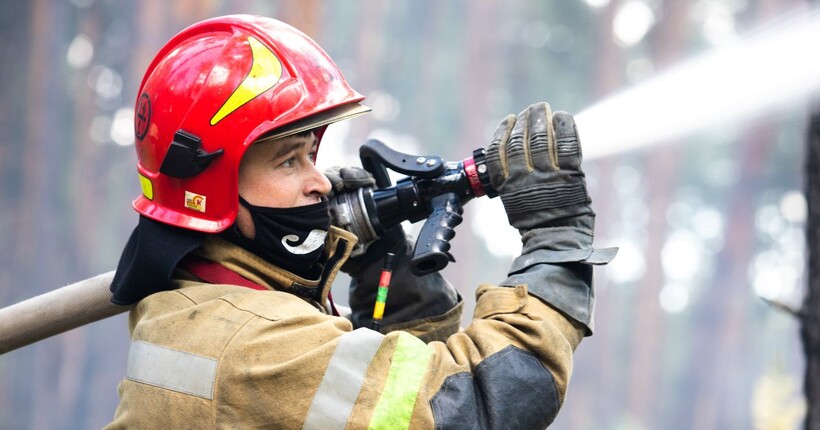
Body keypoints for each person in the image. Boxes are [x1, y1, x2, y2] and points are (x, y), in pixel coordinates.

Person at [105, 14, 616, 429]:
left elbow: (394, 404)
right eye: (289, 161)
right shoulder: (255, 346)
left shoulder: (197, 306)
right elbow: (475, 406)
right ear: (212, 189)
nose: (321, 183)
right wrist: (556, 239)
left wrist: (392, 278)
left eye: (311, 155)